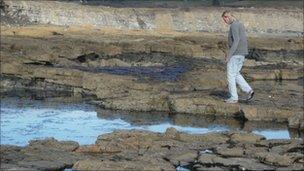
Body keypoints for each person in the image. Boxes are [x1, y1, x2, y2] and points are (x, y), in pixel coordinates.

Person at [221, 10, 254, 103]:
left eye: (225, 19)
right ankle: (249, 90)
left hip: (236, 54)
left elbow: (236, 41)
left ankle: (234, 98)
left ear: (228, 16)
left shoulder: (234, 25)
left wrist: (228, 55)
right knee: (236, 73)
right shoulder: (240, 24)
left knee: (230, 75)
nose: (225, 22)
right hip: (242, 53)